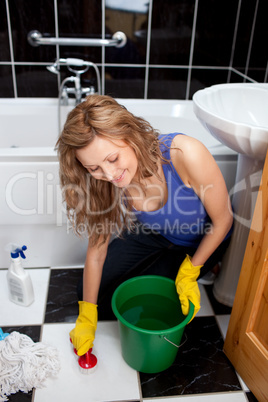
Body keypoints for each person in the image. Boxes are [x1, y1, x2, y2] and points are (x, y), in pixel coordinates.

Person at [56, 94, 233, 357]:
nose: (109, 175)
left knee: (154, 303)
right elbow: (96, 252)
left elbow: (224, 221)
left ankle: (209, 265)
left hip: (199, 239)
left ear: (130, 134)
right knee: (96, 298)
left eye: (113, 159)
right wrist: (86, 317)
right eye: (94, 167)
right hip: (153, 233)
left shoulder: (184, 154)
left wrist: (191, 271)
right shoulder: (101, 180)